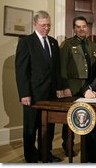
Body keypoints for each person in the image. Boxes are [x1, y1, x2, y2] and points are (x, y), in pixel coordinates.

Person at [15, 10, 63, 163]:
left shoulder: (54, 42)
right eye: (43, 25)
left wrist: (59, 88)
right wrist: (24, 94)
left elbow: (56, 69)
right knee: (31, 128)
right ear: (35, 24)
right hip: (33, 94)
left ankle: (46, 154)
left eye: (48, 25)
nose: (46, 28)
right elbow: (21, 71)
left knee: (48, 126)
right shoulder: (26, 42)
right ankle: (30, 157)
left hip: (50, 94)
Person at [59, 16, 96, 156]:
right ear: (74, 29)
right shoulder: (68, 44)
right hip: (73, 86)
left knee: (89, 116)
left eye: (84, 26)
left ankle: (88, 147)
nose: (82, 29)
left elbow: (95, 68)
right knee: (70, 118)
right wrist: (65, 87)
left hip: (89, 87)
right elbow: (62, 67)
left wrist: (95, 87)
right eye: (78, 27)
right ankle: (67, 145)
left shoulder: (92, 45)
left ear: (87, 27)